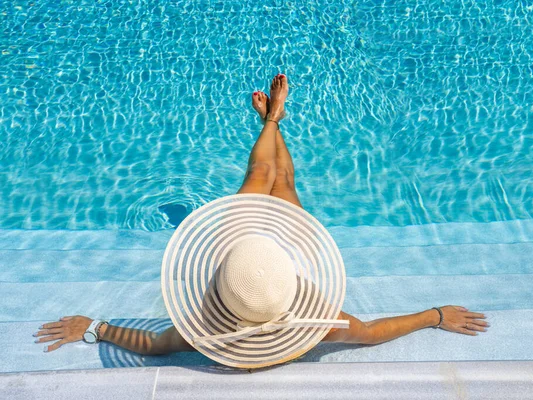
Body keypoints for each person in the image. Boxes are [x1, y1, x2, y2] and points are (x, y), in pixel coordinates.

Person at [35, 74, 488, 360]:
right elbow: (370, 333)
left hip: (242, 250)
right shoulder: (314, 319)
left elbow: (153, 345)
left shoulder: (206, 328)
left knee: (263, 172)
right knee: (284, 183)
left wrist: (94, 328)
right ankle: (275, 120)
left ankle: (271, 122)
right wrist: (435, 315)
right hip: (270, 267)